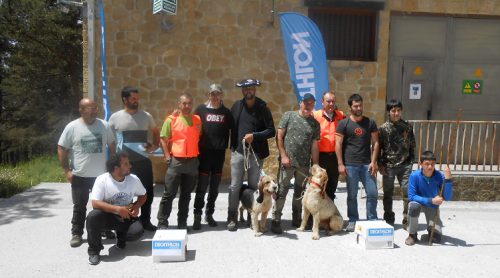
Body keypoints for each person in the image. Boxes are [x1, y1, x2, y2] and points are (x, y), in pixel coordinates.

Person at [57, 98, 115, 248]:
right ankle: (77, 233)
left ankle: (105, 229)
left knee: (104, 205)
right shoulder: (72, 127)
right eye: (91, 108)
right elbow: (62, 148)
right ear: (81, 110)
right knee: (79, 206)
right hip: (80, 175)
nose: (95, 110)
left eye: (96, 108)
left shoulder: (104, 125)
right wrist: (67, 170)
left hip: (101, 176)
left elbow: (112, 145)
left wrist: (113, 168)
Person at [227, 78, 275, 231]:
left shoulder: (262, 107)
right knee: (235, 186)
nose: (249, 91)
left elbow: (271, 131)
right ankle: (232, 216)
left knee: (254, 186)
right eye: (246, 88)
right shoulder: (236, 106)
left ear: (255, 89)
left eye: (251, 88)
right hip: (239, 152)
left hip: (256, 153)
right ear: (243, 90)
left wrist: (255, 135)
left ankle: (251, 213)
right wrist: (233, 147)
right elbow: (229, 126)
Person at [108, 86, 160, 231]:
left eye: (137, 98)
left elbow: (156, 132)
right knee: (125, 194)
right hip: (123, 165)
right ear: (125, 99)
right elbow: (110, 140)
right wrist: (114, 158)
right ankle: (127, 221)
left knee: (146, 192)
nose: (136, 101)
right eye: (133, 98)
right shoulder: (115, 118)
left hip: (143, 161)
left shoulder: (146, 116)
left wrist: (155, 146)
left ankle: (145, 221)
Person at [271, 93, 320, 234]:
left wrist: (315, 165)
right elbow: (279, 136)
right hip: (287, 162)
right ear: (301, 103)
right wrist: (284, 156)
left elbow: (315, 146)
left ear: (313, 105)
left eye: (311, 103)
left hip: (304, 165)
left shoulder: (315, 124)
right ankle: (276, 219)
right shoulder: (289, 115)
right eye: (306, 102)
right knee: (281, 191)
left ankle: (297, 218)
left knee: (300, 192)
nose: (308, 105)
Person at [86, 152, 147, 265]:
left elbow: (143, 195)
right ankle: (94, 251)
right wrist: (118, 209)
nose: (130, 166)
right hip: (108, 216)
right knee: (92, 217)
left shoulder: (133, 179)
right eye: (126, 164)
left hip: (126, 216)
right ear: (116, 168)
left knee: (137, 231)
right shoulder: (102, 179)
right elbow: (95, 203)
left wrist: (137, 206)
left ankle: (121, 237)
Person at [335, 93, 380, 232]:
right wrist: (340, 164)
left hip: (367, 164)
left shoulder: (370, 122)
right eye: (356, 106)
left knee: (372, 193)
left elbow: (376, 142)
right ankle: (353, 220)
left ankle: (372, 219)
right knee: (352, 195)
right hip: (350, 165)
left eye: (360, 105)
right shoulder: (344, 124)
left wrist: (374, 162)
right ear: (350, 107)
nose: (359, 107)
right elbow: (338, 144)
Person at [157, 93, 202, 230]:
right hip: (176, 161)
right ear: (179, 104)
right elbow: (163, 140)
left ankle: (182, 223)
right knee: (169, 194)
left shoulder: (197, 120)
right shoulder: (171, 120)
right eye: (184, 103)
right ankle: (162, 222)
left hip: (192, 162)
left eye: (189, 103)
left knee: (186, 195)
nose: (187, 106)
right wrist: (167, 157)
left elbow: (197, 137)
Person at [192, 84, 233, 230]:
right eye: (212, 94)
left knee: (214, 188)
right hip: (204, 154)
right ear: (208, 95)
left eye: (218, 94)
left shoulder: (227, 113)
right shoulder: (200, 110)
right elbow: (192, 128)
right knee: (202, 187)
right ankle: (197, 215)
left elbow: (233, 131)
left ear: (221, 95)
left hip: (219, 154)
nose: (215, 97)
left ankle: (209, 214)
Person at [378, 99, 416, 228]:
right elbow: (378, 148)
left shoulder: (408, 126)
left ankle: (407, 217)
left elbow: (412, 145)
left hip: (405, 165)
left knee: (407, 192)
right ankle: (388, 217)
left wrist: (411, 162)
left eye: (398, 110)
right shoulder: (383, 129)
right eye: (393, 110)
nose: (396, 113)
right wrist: (380, 164)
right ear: (389, 112)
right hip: (388, 166)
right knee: (388, 194)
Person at [405, 151, 453, 246]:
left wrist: (448, 180)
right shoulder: (414, 176)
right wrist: (430, 200)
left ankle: (431, 230)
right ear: (420, 164)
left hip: (432, 206)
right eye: (427, 164)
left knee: (436, 238)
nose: (430, 167)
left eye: (432, 164)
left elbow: (447, 197)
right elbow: (411, 196)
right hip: (419, 203)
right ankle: (412, 234)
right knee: (413, 207)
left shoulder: (440, 176)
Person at [313, 91, 346, 201]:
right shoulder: (315, 115)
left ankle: (328, 214)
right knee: (318, 187)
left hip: (335, 157)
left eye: (333, 101)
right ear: (322, 102)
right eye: (328, 101)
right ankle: (314, 216)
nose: (331, 104)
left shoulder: (341, 115)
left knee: (332, 186)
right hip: (321, 156)